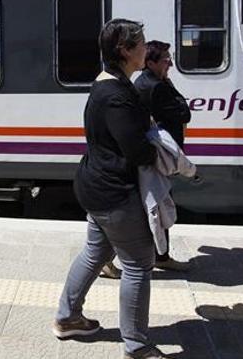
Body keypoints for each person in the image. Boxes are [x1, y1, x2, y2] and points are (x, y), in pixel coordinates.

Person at [53, 19, 165, 359]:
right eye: (142, 44)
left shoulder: (105, 84)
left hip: (95, 185)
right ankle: (136, 345)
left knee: (95, 252)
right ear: (125, 51)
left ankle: (67, 317)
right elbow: (137, 150)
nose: (146, 49)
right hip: (113, 191)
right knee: (137, 264)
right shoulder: (116, 94)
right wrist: (158, 146)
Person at [134, 41, 192, 272]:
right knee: (159, 206)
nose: (170, 64)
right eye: (166, 60)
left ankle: (160, 254)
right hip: (160, 157)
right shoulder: (157, 86)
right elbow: (184, 113)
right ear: (151, 63)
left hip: (155, 156)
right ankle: (160, 256)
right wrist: (168, 83)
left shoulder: (143, 82)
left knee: (156, 206)